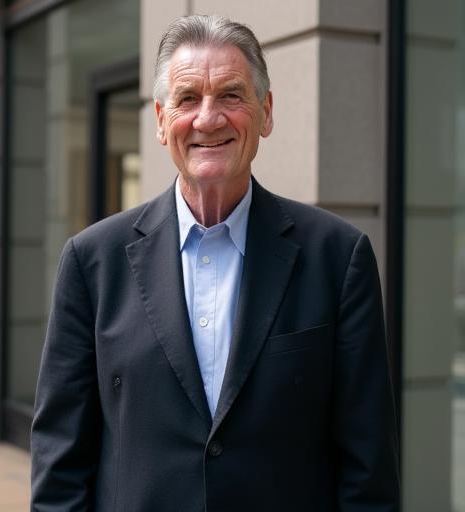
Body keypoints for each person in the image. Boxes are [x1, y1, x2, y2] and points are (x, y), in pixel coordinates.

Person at [31, 14, 399, 512]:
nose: (208, 118)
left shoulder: (337, 258)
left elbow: (367, 468)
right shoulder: (91, 263)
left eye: (231, 94)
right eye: (187, 99)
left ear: (265, 113)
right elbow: (60, 468)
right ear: (161, 121)